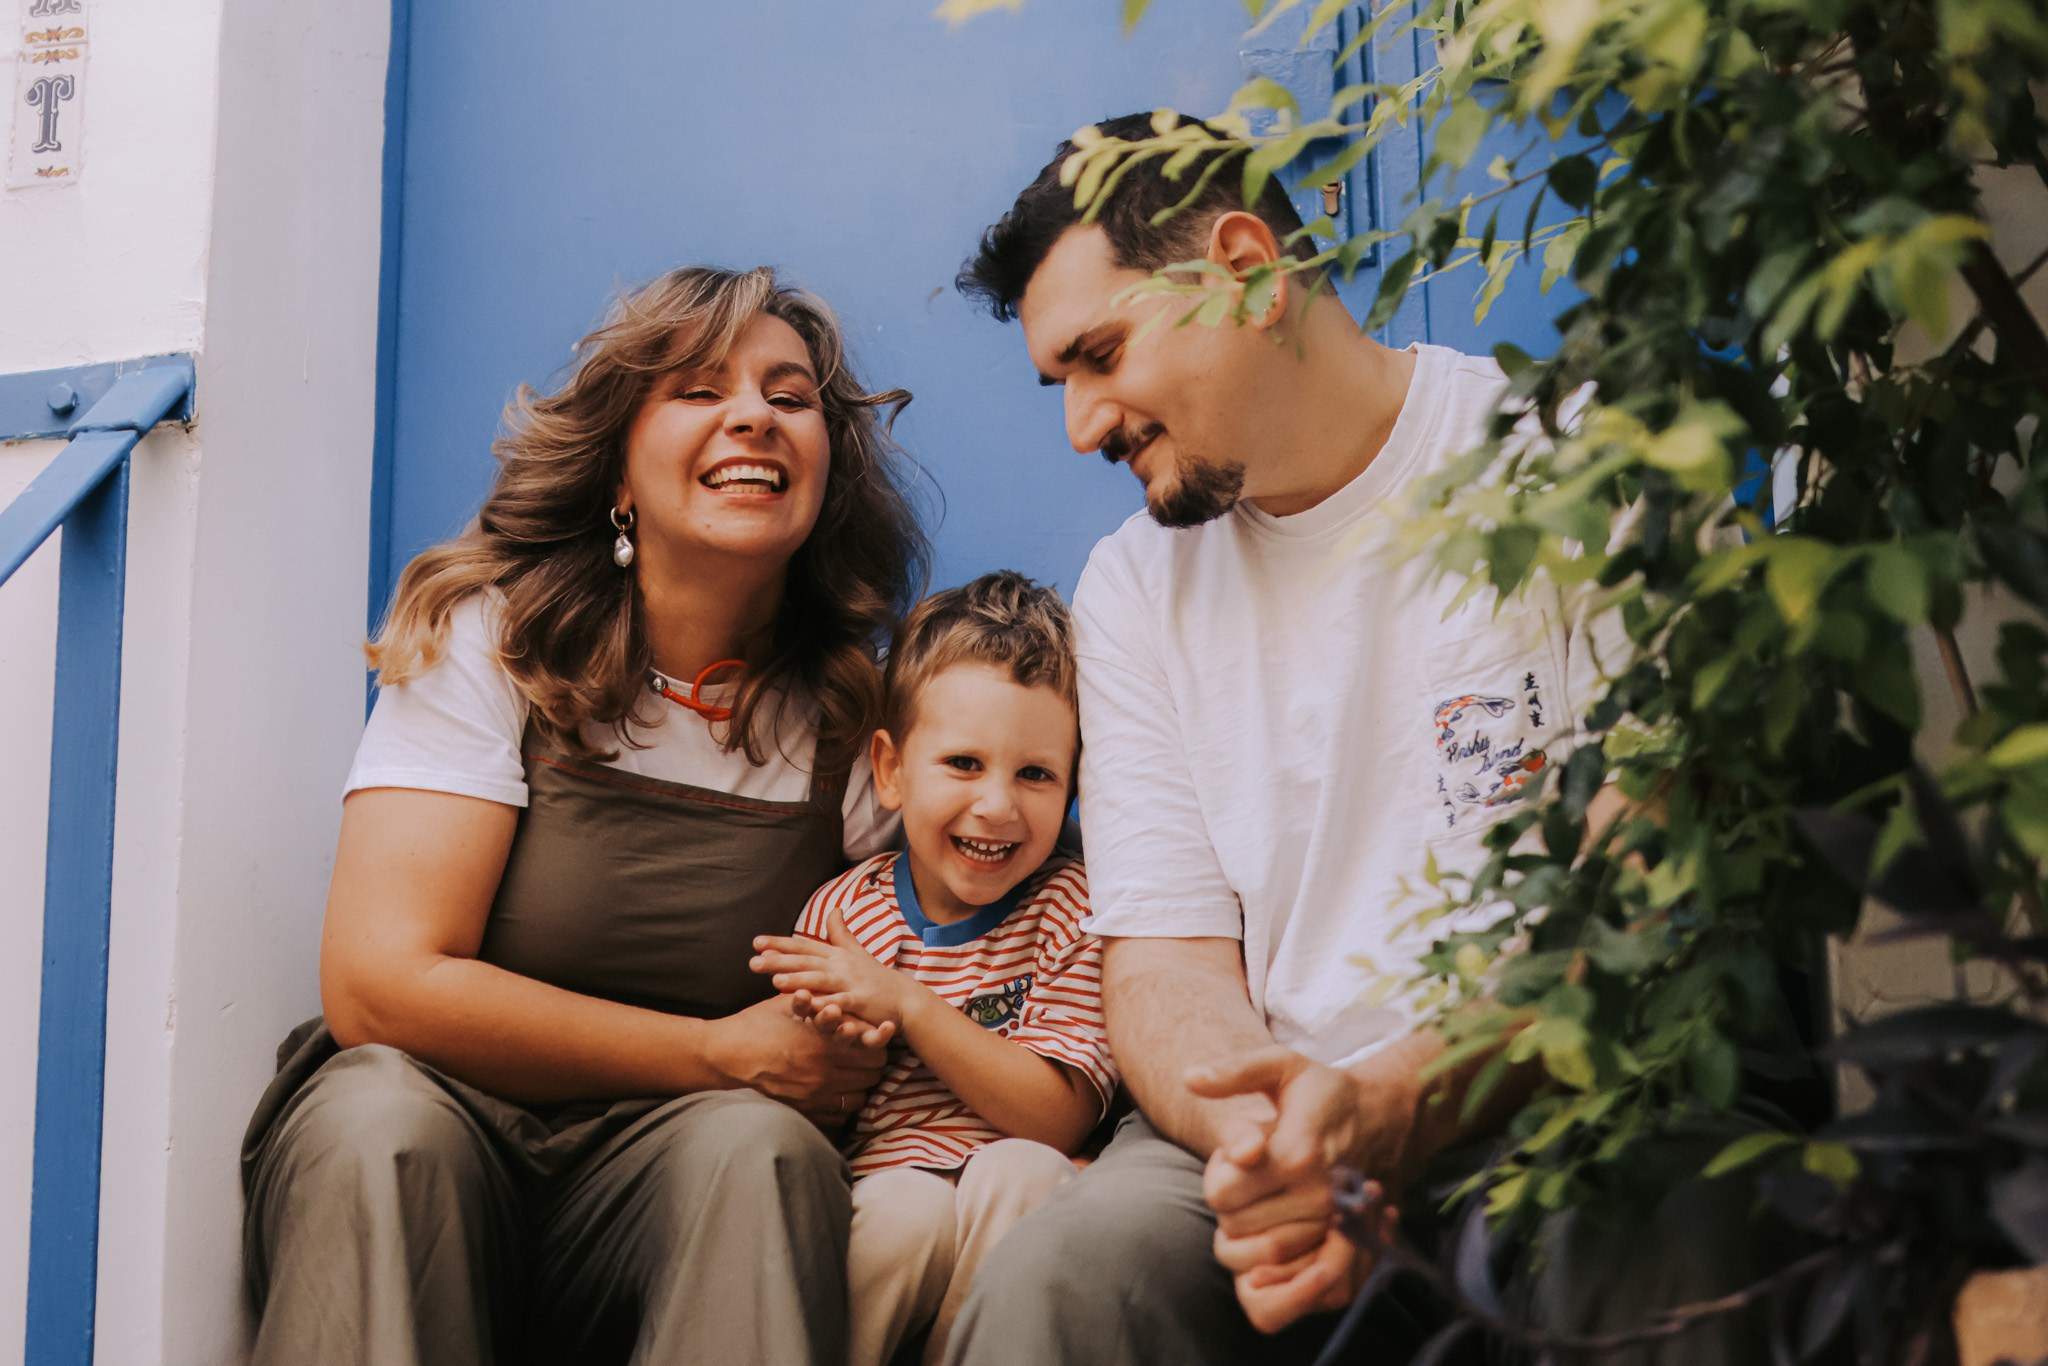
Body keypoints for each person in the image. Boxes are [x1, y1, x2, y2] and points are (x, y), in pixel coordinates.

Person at [938, 113, 1633, 1365]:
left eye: (1098, 356)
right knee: (1066, 1279)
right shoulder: (1133, 589)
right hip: (1256, 1117)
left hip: (1562, 1095)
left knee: (1659, 1239)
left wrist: (1393, 1105)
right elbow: (1162, 968)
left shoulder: (1566, 466)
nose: (1081, 424)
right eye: (1061, 385)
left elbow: (1637, 889)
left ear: (1250, 268)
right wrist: (1284, 1140)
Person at [239, 266, 928, 1366]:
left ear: (825, 470)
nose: (753, 413)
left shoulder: (857, 720)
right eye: (699, 389)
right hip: (434, 1129)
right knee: (382, 1129)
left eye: (789, 396)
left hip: (672, 1178)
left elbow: (891, 996)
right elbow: (381, 983)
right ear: (618, 462)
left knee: (764, 1148)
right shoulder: (491, 638)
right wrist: (716, 1050)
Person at [749, 570, 1117, 1366]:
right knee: (908, 1210)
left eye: (1035, 774)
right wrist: (836, 1043)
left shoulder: (1074, 910)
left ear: (1076, 787)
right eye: (962, 763)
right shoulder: (843, 916)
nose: (997, 805)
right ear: (890, 771)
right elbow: (808, 1114)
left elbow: (1057, 1119)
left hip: (1020, 1190)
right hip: (881, 1199)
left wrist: (909, 1004)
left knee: (1020, 1170)